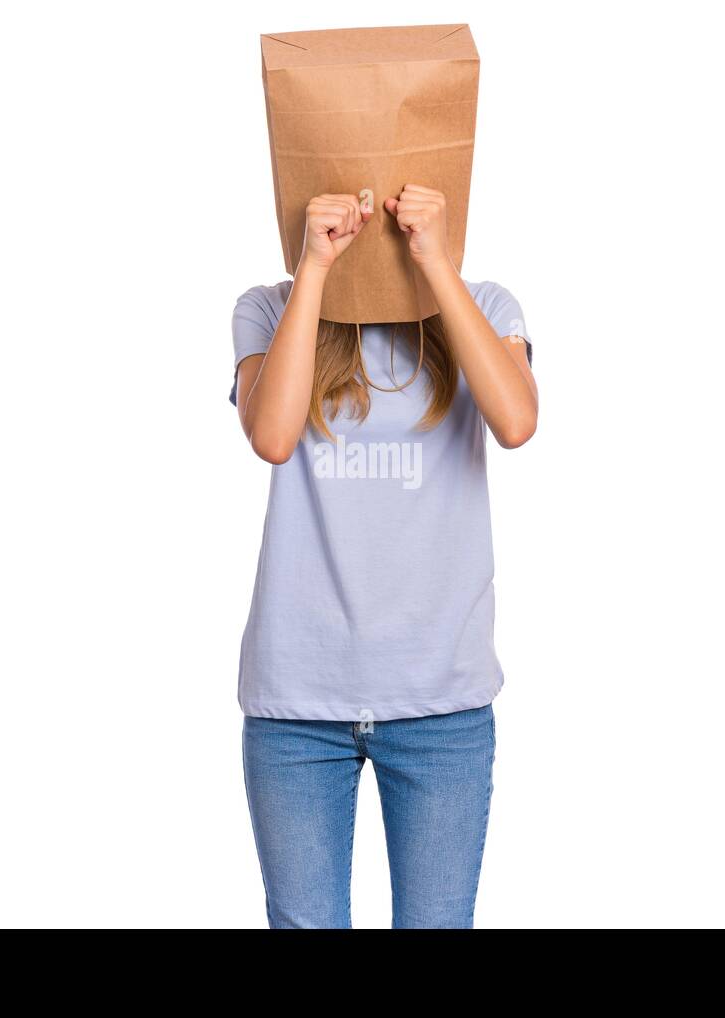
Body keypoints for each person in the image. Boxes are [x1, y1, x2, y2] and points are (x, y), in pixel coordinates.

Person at [229, 184, 537, 928]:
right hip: (298, 705)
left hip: (441, 704)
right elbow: (271, 436)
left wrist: (435, 266)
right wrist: (315, 269)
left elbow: (518, 420)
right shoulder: (267, 307)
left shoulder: (486, 305)